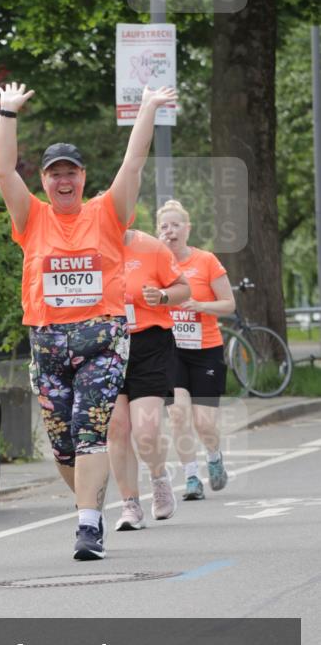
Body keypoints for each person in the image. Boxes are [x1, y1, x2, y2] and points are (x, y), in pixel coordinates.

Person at [0, 80, 177, 561]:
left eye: (70, 171)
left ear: (82, 175)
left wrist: (149, 109)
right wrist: (7, 112)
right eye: (54, 173)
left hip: (103, 339)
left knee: (90, 430)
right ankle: (90, 503)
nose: (63, 180)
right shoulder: (31, 218)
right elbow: (2, 171)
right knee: (62, 446)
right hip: (49, 344)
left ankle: (88, 527)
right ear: (45, 181)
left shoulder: (107, 213)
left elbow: (133, 162)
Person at [107, 228, 190, 531]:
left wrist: (164, 296)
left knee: (145, 430)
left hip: (149, 344)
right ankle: (130, 504)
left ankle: (159, 478)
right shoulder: (89, 250)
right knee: (117, 427)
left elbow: (184, 289)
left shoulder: (152, 248)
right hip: (107, 345)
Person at [157, 199, 235, 500]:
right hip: (171, 351)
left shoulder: (207, 261)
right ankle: (191, 477)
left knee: (204, 422)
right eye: (164, 226)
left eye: (176, 225)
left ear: (187, 229)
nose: (170, 231)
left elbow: (229, 304)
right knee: (177, 415)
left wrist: (201, 305)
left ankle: (214, 456)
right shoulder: (157, 264)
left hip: (206, 350)